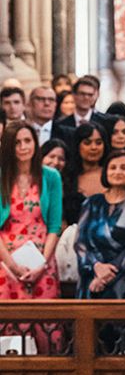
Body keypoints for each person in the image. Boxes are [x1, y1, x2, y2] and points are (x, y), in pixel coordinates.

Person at [0, 122, 63, 313]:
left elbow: (54, 225)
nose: (23, 147)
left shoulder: (51, 177)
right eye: (17, 142)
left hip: (41, 256)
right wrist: (12, 264)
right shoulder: (2, 177)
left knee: (45, 320)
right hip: (6, 258)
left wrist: (41, 263)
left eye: (28, 141)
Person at [75, 151, 125, 298]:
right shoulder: (91, 203)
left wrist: (106, 275)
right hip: (91, 277)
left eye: (124, 168)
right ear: (106, 172)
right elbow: (80, 243)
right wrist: (96, 267)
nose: (118, 172)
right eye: (113, 168)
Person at [63, 121, 108, 225]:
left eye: (98, 142)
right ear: (77, 145)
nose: (94, 147)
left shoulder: (112, 175)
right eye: (87, 143)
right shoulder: (66, 178)